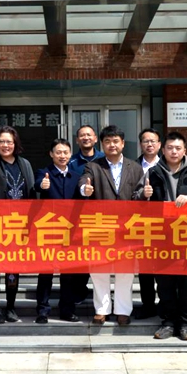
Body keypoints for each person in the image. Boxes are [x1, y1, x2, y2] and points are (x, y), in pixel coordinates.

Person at [137, 131, 187, 341]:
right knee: (165, 284)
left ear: (184, 151)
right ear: (163, 150)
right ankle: (168, 322)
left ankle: (186, 323)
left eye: (178, 148)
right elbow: (135, 199)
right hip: (161, 237)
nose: (173, 152)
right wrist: (144, 195)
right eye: (170, 148)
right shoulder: (153, 172)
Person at [79, 125, 144, 326]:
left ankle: (123, 310)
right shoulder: (94, 166)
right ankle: (102, 309)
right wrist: (85, 189)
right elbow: (84, 181)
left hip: (127, 227)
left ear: (123, 143)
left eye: (116, 141)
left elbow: (139, 193)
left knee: (125, 271)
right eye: (107, 141)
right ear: (102, 144)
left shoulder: (135, 167)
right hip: (101, 226)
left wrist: (144, 194)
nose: (112, 145)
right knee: (99, 269)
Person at [0, 126, 36, 323]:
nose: (6, 145)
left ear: (15, 144)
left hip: (18, 225)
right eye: (2, 141)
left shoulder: (25, 164)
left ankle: (11, 307)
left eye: (9, 142)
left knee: (13, 268)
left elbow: (32, 190)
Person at [34, 138, 82, 323]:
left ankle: (67, 310)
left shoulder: (76, 176)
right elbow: (38, 184)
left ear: (70, 154)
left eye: (66, 152)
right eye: (59, 152)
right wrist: (42, 185)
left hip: (70, 231)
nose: (62, 156)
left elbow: (82, 200)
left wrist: (86, 192)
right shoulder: (44, 172)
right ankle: (42, 310)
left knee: (68, 274)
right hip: (48, 230)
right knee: (45, 272)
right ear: (51, 154)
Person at [134, 128, 162, 320]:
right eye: (146, 141)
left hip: (164, 224)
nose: (149, 144)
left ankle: (165, 304)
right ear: (140, 144)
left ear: (159, 145)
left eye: (153, 141)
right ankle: (148, 305)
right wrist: (142, 195)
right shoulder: (133, 167)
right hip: (140, 224)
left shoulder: (168, 165)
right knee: (144, 269)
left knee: (162, 267)